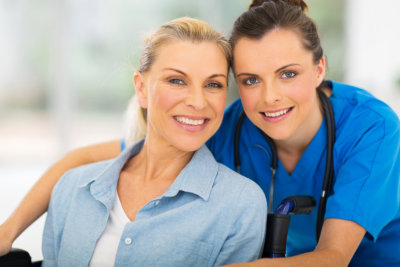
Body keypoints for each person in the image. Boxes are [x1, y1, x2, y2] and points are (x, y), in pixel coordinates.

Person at [1, 0, 400, 266]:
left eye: (289, 74)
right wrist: (7, 232)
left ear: (319, 70)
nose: (270, 96)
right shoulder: (224, 126)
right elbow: (85, 161)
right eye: (249, 79)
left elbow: (332, 257)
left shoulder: (371, 127)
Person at [40, 17, 268, 266]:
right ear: (141, 89)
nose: (198, 102)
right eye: (177, 81)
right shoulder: (72, 188)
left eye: (213, 84)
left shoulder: (241, 205)